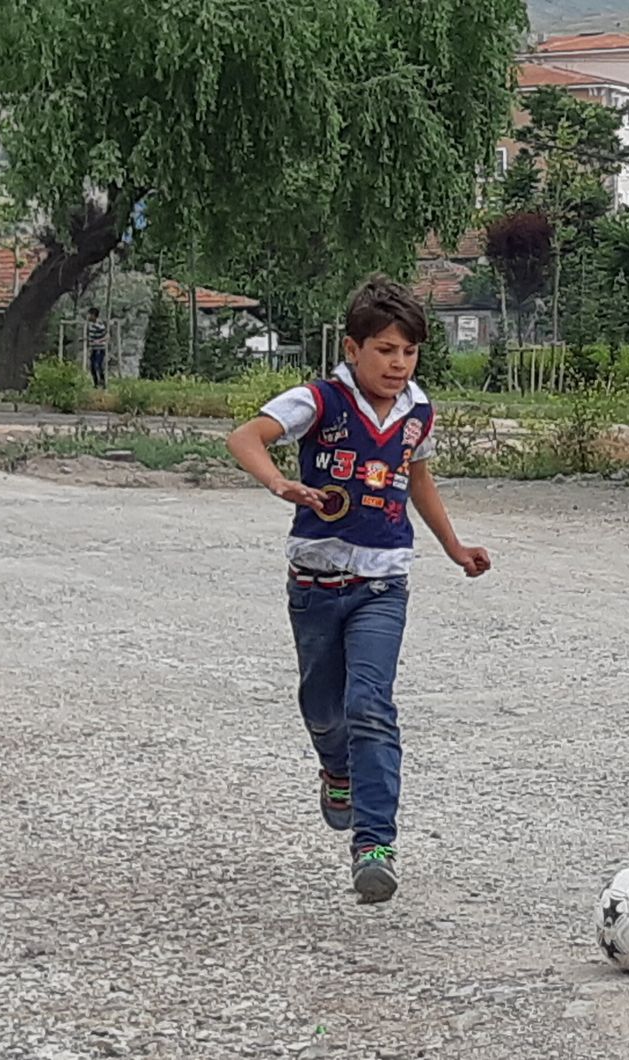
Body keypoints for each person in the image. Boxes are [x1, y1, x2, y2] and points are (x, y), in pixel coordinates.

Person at [226, 275, 492, 904]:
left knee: (370, 705)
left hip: (383, 583)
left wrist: (455, 548)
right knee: (322, 706)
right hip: (316, 583)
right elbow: (245, 437)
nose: (398, 364)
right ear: (353, 348)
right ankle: (335, 770)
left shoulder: (417, 411)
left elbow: (416, 478)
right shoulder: (319, 400)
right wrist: (280, 483)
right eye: (385, 350)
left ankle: (375, 844)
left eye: (409, 352)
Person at [86, 308, 108, 388]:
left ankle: (102, 383)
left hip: (100, 348)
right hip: (93, 348)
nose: (88, 316)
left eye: (89, 315)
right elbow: (91, 337)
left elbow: (107, 336)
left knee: (97, 365)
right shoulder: (90, 325)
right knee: (92, 366)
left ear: (93, 316)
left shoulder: (100, 325)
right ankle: (95, 384)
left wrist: (98, 341)